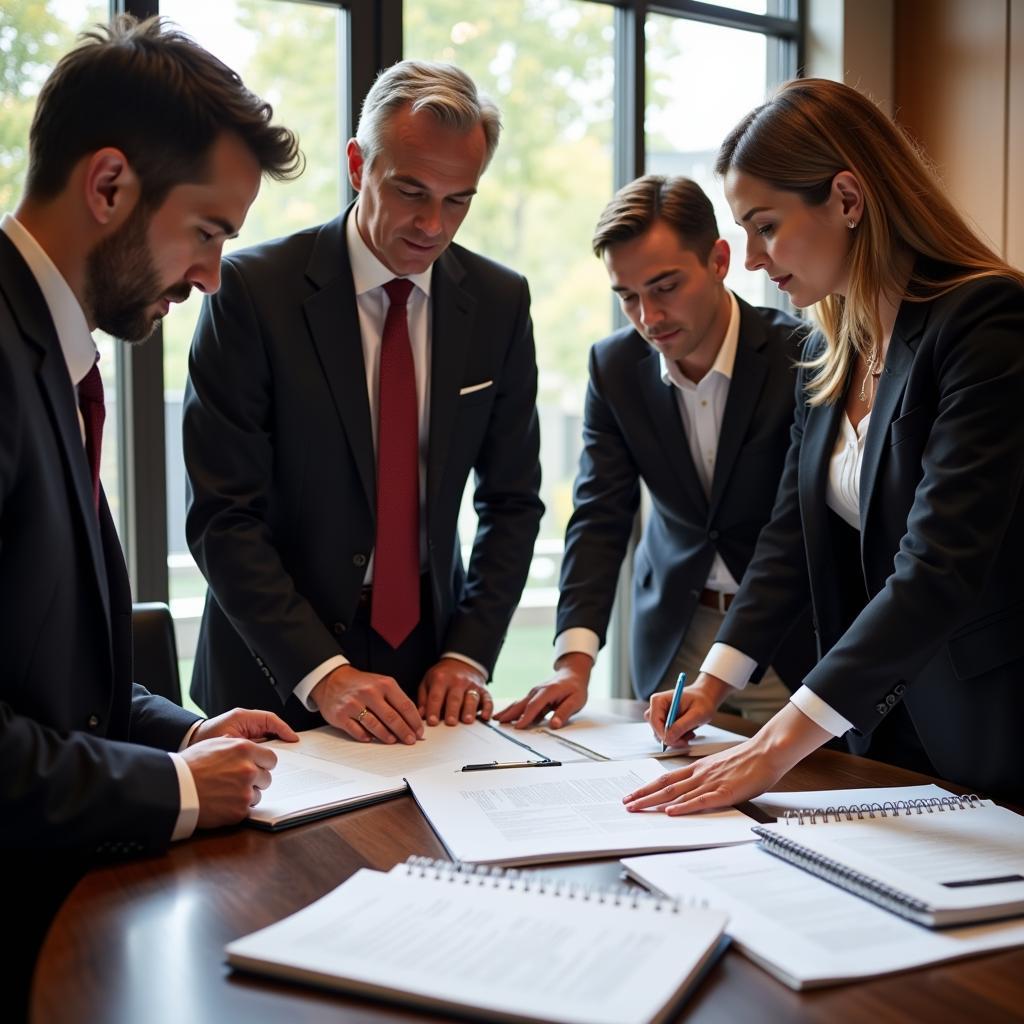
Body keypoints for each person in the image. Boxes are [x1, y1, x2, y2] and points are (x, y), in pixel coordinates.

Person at [0, 15, 303, 1013]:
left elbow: (46, 678)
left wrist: (186, 735)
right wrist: (173, 792)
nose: (212, 274)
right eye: (208, 231)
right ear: (109, 186)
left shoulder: (47, 355)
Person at [625, 77, 1024, 817]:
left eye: (765, 225)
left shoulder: (985, 323)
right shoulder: (829, 346)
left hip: (990, 731)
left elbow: (937, 566)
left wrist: (772, 745)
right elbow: (788, 538)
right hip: (883, 732)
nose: (749, 259)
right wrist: (715, 681)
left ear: (847, 198)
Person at [184, 60, 543, 743]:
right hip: (275, 677)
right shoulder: (251, 293)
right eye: (411, 190)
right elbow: (223, 517)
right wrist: (324, 671)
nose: (433, 225)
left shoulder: (499, 302)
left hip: (429, 673)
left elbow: (513, 501)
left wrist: (467, 653)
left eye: (458, 199)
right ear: (358, 164)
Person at [497, 175, 814, 731]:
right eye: (627, 296)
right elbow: (600, 517)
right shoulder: (614, 367)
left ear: (718, 260)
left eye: (665, 287)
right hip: (674, 642)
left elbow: (795, 527)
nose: (649, 317)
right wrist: (573, 663)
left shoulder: (803, 356)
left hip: (793, 641)